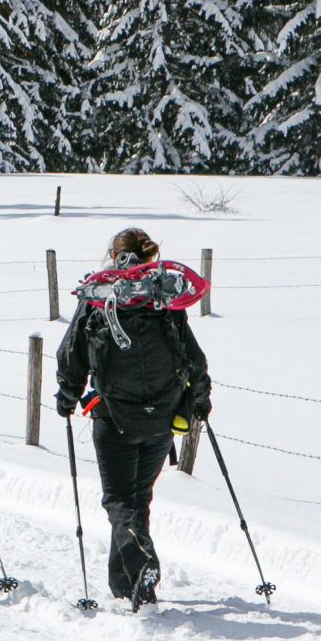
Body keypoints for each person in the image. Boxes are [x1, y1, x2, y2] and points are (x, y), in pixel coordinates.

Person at [56, 226, 213, 608]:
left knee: (119, 501)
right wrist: (200, 400)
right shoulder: (164, 299)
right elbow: (194, 357)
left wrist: (67, 396)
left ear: (114, 255)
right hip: (161, 420)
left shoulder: (99, 296)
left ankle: (142, 561)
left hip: (114, 418)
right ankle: (128, 584)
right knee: (137, 499)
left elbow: (71, 353)